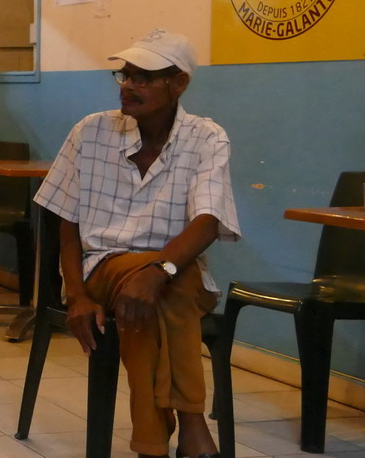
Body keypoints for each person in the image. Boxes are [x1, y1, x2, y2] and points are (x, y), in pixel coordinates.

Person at [35, 28, 240, 458]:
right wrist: (74, 294)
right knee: (163, 289)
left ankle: (153, 443)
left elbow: (207, 222)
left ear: (179, 82)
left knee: (154, 299)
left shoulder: (206, 137)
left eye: (144, 77)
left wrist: (156, 272)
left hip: (174, 272)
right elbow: (65, 221)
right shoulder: (91, 131)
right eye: (125, 75)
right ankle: (192, 427)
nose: (129, 85)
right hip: (103, 268)